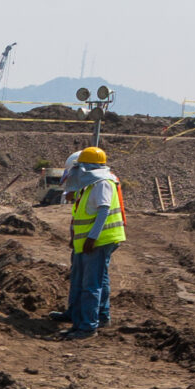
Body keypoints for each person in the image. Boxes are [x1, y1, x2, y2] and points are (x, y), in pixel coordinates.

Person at [66, 144, 126, 338]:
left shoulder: (102, 183)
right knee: (96, 280)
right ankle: (96, 318)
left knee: (90, 284)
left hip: (98, 240)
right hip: (90, 240)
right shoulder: (91, 184)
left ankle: (88, 326)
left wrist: (92, 238)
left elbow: (103, 211)